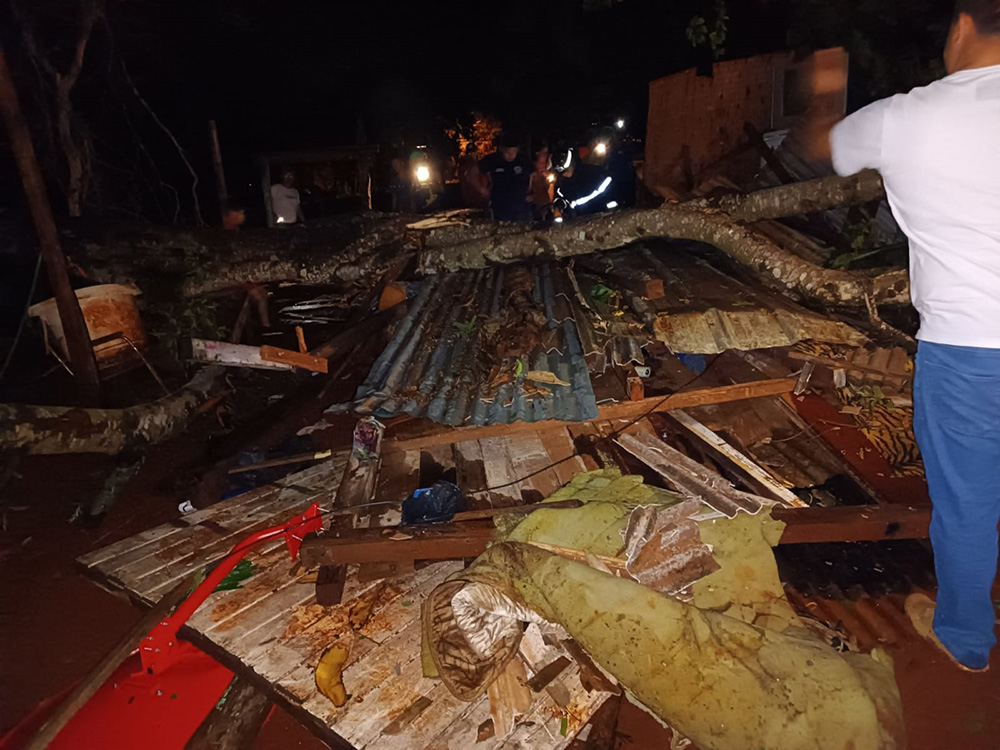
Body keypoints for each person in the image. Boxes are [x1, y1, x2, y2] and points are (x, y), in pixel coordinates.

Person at [813, 0, 1000, 672]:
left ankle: (968, 639)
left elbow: (827, 149)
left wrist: (824, 86)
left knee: (969, 505)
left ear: (962, 28)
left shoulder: (906, 117)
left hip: (968, 352)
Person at [478, 133, 532, 222]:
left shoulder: (524, 160)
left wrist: (534, 193)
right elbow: (471, 172)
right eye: (507, 152)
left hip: (522, 208)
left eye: (514, 152)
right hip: (499, 207)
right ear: (501, 149)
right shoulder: (492, 160)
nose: (511, 155)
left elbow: (536, 177)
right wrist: (481, 189)